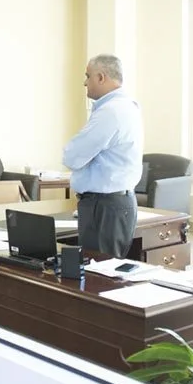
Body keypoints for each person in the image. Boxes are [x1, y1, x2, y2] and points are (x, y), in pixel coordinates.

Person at [61, 54, 144, 258]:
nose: (84, 82)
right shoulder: (126, 106)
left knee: (98, 275)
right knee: (103, 274)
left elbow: (72, 156)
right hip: (112, 205)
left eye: (87, 76)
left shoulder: (111, 112)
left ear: (101, 77)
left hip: (104, 208)